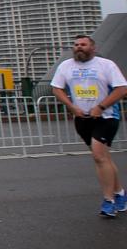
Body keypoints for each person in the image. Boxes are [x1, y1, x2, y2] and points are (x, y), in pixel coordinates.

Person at [50, 35, 127, 218]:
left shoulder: (105, 65)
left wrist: (101, 107)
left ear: (93, 47)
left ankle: (108, 201)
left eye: (83, 45)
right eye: (76, 45)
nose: (79, 48)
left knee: (99, 156)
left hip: (106, 117)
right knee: (103, 158)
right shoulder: (66, 66)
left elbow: (121, 89)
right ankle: (120, 194)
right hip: (82, 118)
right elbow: (56, 88)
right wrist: (71, 106)